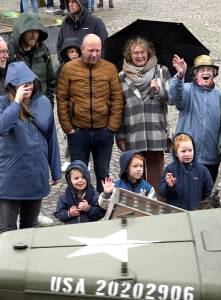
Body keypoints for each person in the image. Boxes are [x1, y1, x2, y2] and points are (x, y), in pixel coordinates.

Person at [56, 33, 123, 193]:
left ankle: (103, 208)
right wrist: (68, 128)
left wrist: (111, 127)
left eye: (98, 51)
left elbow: (117, 99)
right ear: (82, 49)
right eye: (91, 50)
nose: (94, 54)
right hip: (78, 132)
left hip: (103, 132)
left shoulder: (110, 68)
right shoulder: (69, 69)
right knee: (78, 175)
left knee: (103, 173)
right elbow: (62, 98)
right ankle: (79, 210)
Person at [0, 61, 61, 234]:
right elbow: (2, 127)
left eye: (30, 83)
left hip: (36, 175)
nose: (28, 87)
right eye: (23, 84)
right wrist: (17, 102)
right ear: (12, 85)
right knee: (6, 230)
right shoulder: (3, 103)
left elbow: (51, 137)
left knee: (30, 228)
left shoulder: (43, 103)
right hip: (9, 179)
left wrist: (55, 170)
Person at [116, 36, 172, 193]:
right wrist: (119, 135)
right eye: (135, 53)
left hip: (156, 131)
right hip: (133, 133)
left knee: (156, 175)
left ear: (149, 53)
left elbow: (172, 99)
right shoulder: (121, 77)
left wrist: (159, 91)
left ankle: (157, 206)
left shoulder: (161, 72)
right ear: (130, 54)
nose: (139, 56)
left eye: (143, 52)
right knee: (135, 174)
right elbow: (119, 108)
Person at [169, 54, 221, 182]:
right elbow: (176, 97)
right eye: (202, 69)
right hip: (186, 155)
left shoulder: (220, 96)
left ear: (213, 73)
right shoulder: (187, 89)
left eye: (209, 69)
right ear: (195, 74)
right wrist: (180, 75)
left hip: (211, 158)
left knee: (206, 195)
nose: (206, 72)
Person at [158, 133, 213, 210]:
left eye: (190, 150)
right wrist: (169, 186)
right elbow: (161, 192)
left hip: (196, 214)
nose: (187, 154)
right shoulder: (170, 169)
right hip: (175, 214)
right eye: (183, 151)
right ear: (176, 153)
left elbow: (209, 193)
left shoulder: (202, 170)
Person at [10, 14, 56, 107]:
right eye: (30, 31)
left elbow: (50, 82)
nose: (34, 35)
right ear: (21, 33)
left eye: (37, 31)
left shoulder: (43, 53)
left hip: (41, 106)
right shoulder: (10, 55)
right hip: (19, 109)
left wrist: (49, 105)